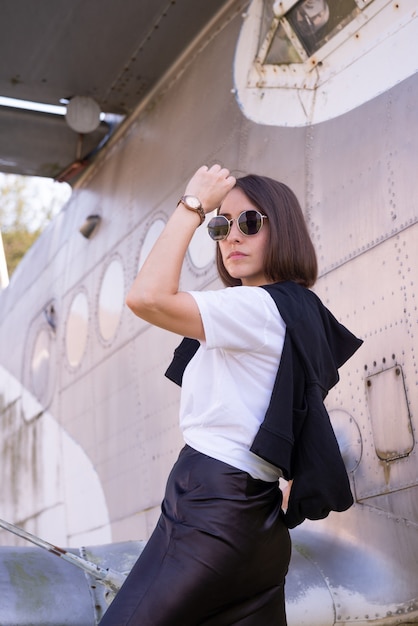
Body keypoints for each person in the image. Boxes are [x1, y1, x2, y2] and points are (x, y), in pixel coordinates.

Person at [99, 164, 362, 625]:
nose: (231, 237)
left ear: (282, 228)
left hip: (211, 506)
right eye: (220, 226)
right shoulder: (296, 311)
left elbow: (147, 298)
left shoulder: (256, 307)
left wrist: (192, 206)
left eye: (250, 222)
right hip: (254, 520)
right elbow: (301, 417)